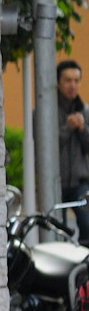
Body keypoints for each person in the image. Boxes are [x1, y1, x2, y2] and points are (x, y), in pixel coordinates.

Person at [62, 60, 89, 232]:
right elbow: (42, 147)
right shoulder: (46, 110)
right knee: (58, 230)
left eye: (76, 80)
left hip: (80, 182)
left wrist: (82, 129)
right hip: (55, 182)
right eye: (68, 80)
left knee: (87, 226)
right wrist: (67, 128)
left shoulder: (85, 111)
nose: (73, 85)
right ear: (58, 82)